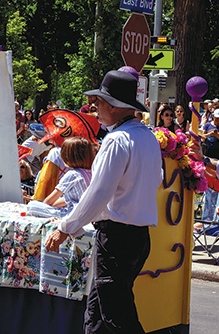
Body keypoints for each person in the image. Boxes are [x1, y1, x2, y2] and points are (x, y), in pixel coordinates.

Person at [45, 70, 162, 333]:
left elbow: (98, 193)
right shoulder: (147, 137)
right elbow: (156, 180)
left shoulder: (117, 141)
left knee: (116, 316)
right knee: (98, 313)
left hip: (117, 239)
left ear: (113, 105)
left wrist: (65, 227)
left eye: (98, 102)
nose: (94, 107)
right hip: (137, 237)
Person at [27, 136, 96, 218]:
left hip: (73, 214)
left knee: (32, 206)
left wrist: (44, 206)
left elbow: (48, 201)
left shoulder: (72, 174)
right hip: (89, 211)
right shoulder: (91, 172)